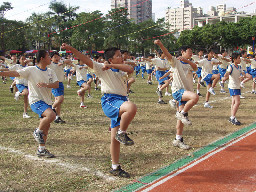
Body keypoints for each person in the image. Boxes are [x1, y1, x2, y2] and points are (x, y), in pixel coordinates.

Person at [61, 43, 137, 178]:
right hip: (111, 101)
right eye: (118, 56)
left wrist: (112, 65)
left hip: (120, 101)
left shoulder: (118, 69)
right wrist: (72, 49)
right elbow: (85, 59)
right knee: (131, 107)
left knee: (114, 140)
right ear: (110, 59)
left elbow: (130, 68)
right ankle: (122, 133)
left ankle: (115, 167)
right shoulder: (102, 69)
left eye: (121, 55)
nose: (122, 57)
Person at [0, 50, 59, 157]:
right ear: (42, 58)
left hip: (47, 101)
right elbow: (15, 73)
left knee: (46, 126)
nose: (50, 58)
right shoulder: (31, 70)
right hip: (36, 101)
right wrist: (2, 73)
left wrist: (46, 84)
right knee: (51, 115)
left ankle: (41, 149)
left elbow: (56, 85)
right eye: (48, 56)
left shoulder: (50, 71)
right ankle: (37, 131)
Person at [154, 39, 199, 150]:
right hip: (178, 91)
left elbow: (195, 68)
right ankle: (182, 113)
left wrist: (187, 61)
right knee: (195, 97)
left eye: (191, 51)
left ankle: (178, 139)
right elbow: (168, 54)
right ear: (182, 52)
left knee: (180, 121)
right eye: (189, 51)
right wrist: (161, 44)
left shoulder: (190, 63)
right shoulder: (175, 62)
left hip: (186, 92)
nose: (191, 53)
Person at [223, 53, 244, 125]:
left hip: (237, 86)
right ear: (234, 59)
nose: (240, 59)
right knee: (237, 102)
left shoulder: (239, 67)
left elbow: (243, 74)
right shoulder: (231, 66)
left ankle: (232, 117)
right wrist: (224, 77)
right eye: (238, 58)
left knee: (234, 102)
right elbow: (227, 73)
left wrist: (242, 76)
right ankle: (232, 117)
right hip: (233, 86)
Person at [48, 52, 66, 124]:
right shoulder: (50, 65)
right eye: (55, 57)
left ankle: (57, 117)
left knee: (58, 101)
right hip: (55, 83)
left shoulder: (61, 64)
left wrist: (63, 62)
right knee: (60, 99)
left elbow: (69, 62)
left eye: (58, 57)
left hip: (60, 83)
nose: (57, 58)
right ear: (51, 58)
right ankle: (51, 109)